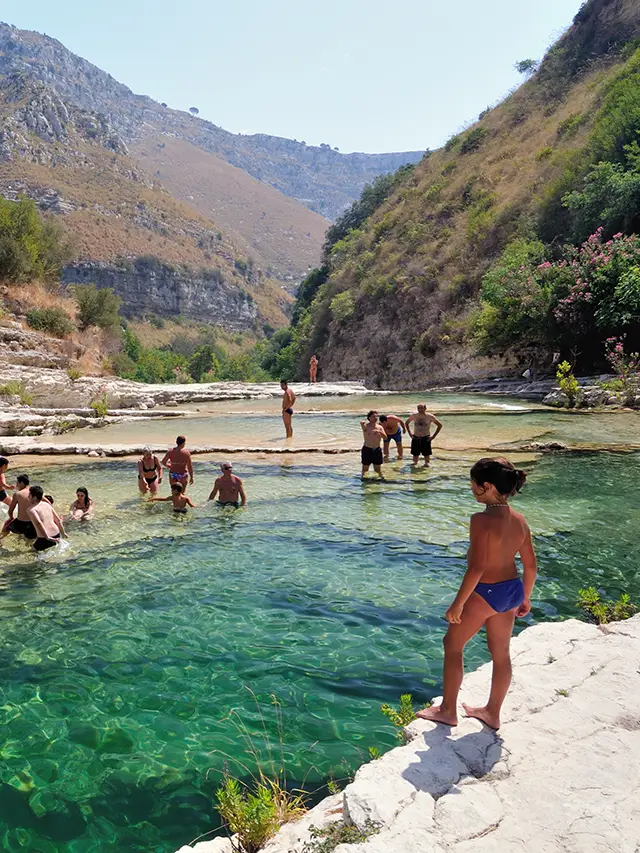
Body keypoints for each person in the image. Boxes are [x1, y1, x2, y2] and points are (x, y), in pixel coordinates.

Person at [416, 458, 537, 731]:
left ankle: (448, 710)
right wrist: (525, 597)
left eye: (473, 484)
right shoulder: (520, 520)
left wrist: (457, 604)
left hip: (487, 591)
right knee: (501, 653)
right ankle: (492, 713)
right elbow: (530, 565)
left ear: (487, 487)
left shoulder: (481, 520)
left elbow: (478, 567)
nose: (471, 489)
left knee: (453, 644)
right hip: (511, 590)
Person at [27, 485, 66, 551]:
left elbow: (39, 522)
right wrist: (63, 533)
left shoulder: (31, 509)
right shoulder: (47, 504)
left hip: (45, 537)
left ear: (35, 497)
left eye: (29, 495)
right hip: (57, 534)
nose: (28, 497)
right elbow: (58, 520)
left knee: (32, 553)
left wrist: (47, 537)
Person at [1, 474, 37, 540]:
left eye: (17, 483)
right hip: (33, 523)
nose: (16, 485)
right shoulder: (35, 492)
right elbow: (48, 503)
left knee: (6, 526)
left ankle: (1, 542)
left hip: (20, 524)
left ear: (22, 483)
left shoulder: (17, 494)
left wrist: (11, 518)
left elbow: (10, 511)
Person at [360, 411, 386, 480]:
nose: (375, 418)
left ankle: (381, 480)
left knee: (377, 470)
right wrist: (362, 423)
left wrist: (379, 432)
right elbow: (363, 426)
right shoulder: (366, 426)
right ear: (369, 418)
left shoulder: (380, 427)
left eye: (376, 416)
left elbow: (385, 437)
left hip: (377, 450)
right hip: (367, 449)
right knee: (365, 469)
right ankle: (363, 481)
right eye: (373, 416)